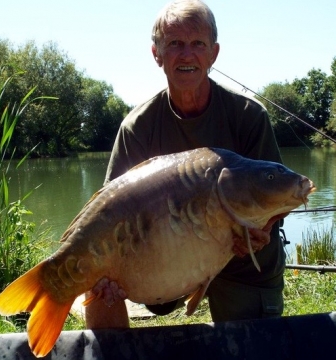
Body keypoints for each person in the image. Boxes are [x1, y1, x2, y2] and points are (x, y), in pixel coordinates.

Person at [85, 0, 285, 329]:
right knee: (99, 280)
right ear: (157, 54)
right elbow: (108, 213)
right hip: (165, 262)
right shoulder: (137, 128)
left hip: (243, 261)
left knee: (253, 345)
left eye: (198, 44)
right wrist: (104, 266)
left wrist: (265, 227)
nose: (187, 55)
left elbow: (279, 192)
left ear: (214, 53)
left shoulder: (249, 117)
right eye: (175, 43)